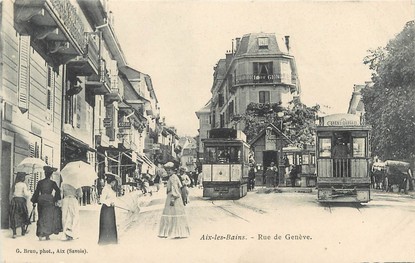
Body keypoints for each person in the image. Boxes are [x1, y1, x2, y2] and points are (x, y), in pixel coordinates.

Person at [158, 162, 190, 239]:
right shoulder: (173, 177)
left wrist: (173, 198)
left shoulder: (173, 177)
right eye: (167, 170)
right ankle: (177, 232)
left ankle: (172, 232)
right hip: (172, 196)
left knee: (171, 213)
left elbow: (175, 189)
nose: (168, 171)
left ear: (173, 170)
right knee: (173, 214)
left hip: (173, 197)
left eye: (170, 170)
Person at [31, 166, 61, 241]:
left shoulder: (40, 182)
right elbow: (58, 191)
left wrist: (34, 201)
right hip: (49, 200)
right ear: (51, 175)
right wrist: (55, 199)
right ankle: (47, 235)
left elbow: (37, 192)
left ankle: (40, 234)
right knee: (48, 217)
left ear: (45, 174)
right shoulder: (52, 183)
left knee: (41, 216)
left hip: (41, 199)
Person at [98, 174, 119, 245]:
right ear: (111, 182)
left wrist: (113, 202)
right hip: (106, 209)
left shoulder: (110, 189)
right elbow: (102, 200)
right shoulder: (105, 189)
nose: (114, 184)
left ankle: (111, 240)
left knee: (111, 224)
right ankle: (105, 241)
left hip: (110, 209)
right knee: (106, 224)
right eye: (114, 182)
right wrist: (110, 203)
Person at [9, 172, 31, 238]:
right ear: (22, 178)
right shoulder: (23, 185)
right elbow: (26, 194)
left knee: (14, 216)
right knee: (23, 215)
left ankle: (14, 233)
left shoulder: (15, 184)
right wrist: (29, 191)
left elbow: (12, 194)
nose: (24, 178)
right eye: (24, 177)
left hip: (14, 201)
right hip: (21, 201)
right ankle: (23, 231)